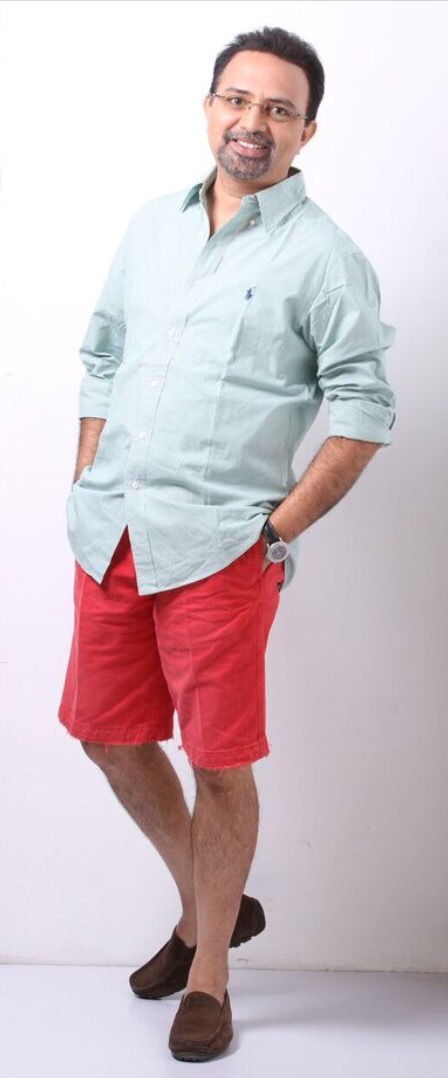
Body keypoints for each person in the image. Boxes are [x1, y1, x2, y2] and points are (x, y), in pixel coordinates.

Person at [57, 24, 396, 1063]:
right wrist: (87, 475)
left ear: (307, 132)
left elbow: (364, 410)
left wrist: (274, 534)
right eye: (238, 100)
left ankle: (209, 972)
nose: (254, 123)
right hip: (111, 533)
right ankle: (209, 905)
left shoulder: (326, 258)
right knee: (108, 737)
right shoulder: (149, 227)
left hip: (220, 554)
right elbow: (103, 354)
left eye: (279, 109)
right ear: (210, 108)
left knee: (217, 764)